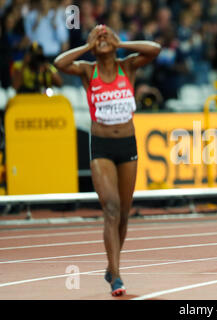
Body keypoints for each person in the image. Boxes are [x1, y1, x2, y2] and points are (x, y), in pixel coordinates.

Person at [54, 25, 161, 296]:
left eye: (106, 36)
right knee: (111, 209)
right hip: (101, 145)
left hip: (127, 145)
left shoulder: (128, 65)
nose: (102, 40)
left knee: (124, 213)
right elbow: (59, 63)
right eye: (97, 37)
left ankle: (111, 266)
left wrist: (120, 43)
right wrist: (89, 47)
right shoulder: (88, 71)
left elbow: (155, 49)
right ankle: (116, 275)